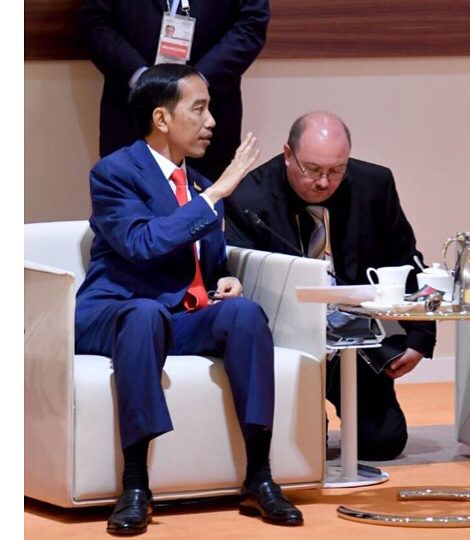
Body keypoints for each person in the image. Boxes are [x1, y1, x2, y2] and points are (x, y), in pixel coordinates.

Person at [75, 63, 302, 534]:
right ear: (162, 118)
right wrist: (217, 194)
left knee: (243, 314)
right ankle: (135, 483)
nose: (212, 121)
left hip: (176, 316)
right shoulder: (115, 173)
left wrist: (224, 281)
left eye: (210, 108)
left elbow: (200, 262)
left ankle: (259, 476)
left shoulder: (196, 183)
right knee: (142, 313)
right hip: (116, 314)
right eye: (199, 109)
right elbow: (143, 243)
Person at [225, 111, 436, 461]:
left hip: (356, 339)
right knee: (305, 448)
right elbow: (245, 280)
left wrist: (420, 337)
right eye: (311, 170)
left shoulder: (374, 184)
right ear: (288, 154)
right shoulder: (249, 198)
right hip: (287, 343)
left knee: (383, 443)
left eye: (336, 170)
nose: (324, 182)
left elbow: (405, 260)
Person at [78, 0, 269, 182]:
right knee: (129, 203)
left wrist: (195, 84)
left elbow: (251, 23)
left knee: (206, 206)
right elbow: (95, 22)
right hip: (131, 109)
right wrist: (142, 80)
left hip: (212, 110)